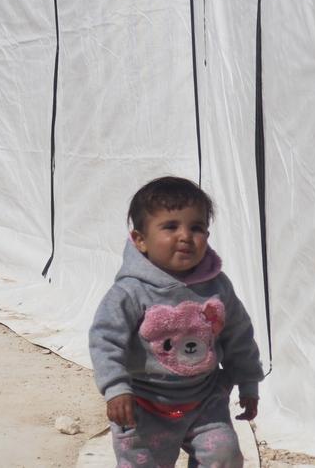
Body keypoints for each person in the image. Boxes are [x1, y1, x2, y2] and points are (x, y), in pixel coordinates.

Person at [90, 176, 264, 467]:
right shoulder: (130, 292)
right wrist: (116, 388)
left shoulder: (217, 287)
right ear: (140, 240)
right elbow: (105, 341)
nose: (185, 236)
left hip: (205, 400)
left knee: (224, 456)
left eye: (197, 228)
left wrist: (248, 382)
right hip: (144, 406)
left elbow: (240, 336)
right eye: (170, 226)